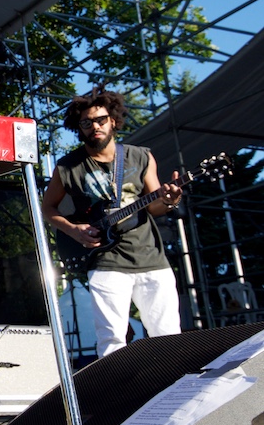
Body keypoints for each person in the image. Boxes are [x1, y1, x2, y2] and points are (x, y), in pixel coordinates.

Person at [41, 89, 183, 358]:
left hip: (151, 258)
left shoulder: (140, 156)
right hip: (104, 259)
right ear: (79, 128)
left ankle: (171, 396)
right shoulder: (68, 167)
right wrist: (73, 229)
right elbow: (47, 208)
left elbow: (155, 205)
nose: (95, 126)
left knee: (167, 336)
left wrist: (170, 200)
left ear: (114, 121)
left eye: (101, 120)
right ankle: (117, 397)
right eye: (86, 123)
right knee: (112, 339)